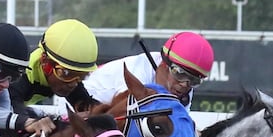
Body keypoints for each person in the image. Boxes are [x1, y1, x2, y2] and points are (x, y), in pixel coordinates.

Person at [82, 31, 214, 108]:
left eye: (194, 80)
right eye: (179, 74)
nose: (185, 85)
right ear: (164, 64)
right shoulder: (138, 75)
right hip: (81, 105)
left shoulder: (184, 92)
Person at [9, 18, 99, 117]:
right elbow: (14, 114)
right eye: (66, 73)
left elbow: (86, 105)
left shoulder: (64, 78)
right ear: (44, 61)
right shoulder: (18, 77)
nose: (73, 84)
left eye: (81, 76)